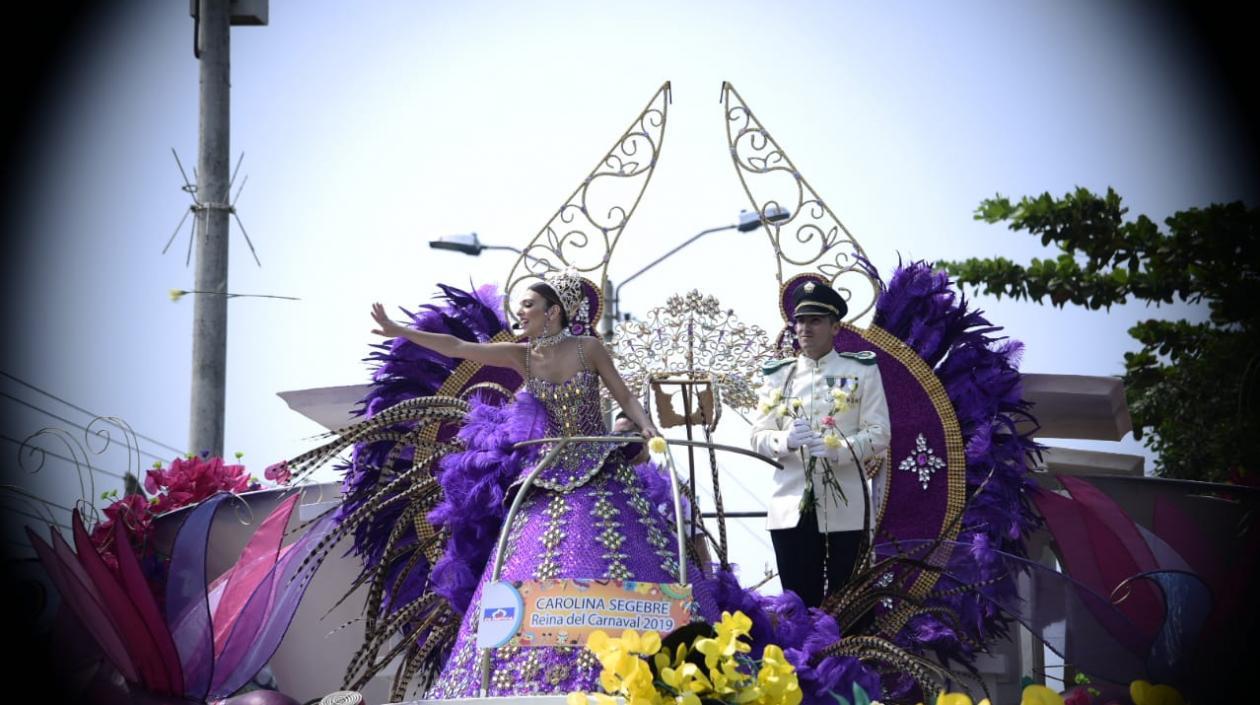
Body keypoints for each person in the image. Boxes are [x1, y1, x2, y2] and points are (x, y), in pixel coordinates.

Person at [369, 271, 696, 697]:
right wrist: (399, 330)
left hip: (599, 468)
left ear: (553, 311)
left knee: (620, 552)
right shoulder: (521, 355)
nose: (520, 312)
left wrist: (647, 425)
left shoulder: (589, 348)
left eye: (528, 305)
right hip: (545, 476)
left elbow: (625, 396)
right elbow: (457, 347)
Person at [749, 280, 890, 608]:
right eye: (800, 321)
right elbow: (757, 435)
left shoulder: (860, 371)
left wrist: (839, 449)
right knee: (799, 608)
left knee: (850, 607)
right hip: (791, 508)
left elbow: (879, 431)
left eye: (815, 321)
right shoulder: (779, 376)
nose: (805, 329)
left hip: (846, 509)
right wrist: (784, 440)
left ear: (835, 327)